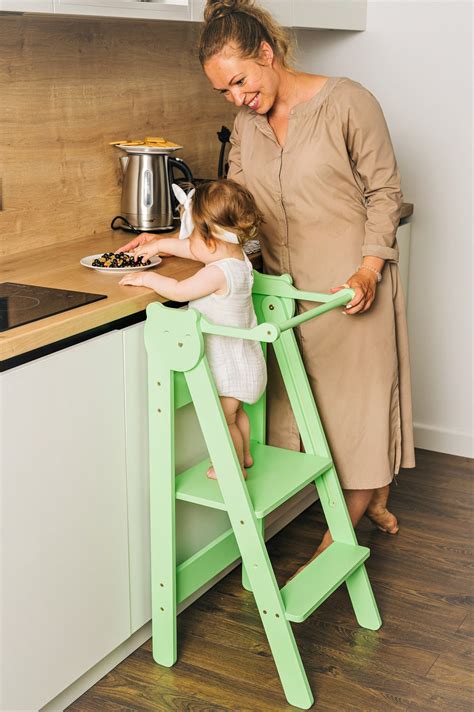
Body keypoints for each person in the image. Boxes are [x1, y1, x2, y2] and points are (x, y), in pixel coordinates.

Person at [197, 0, 416, 565]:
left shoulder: (349, 101)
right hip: (283, 296)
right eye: (224, 92)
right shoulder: (247, 127)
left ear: (267, 54)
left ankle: (335, 541)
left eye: (241, 81)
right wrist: (178, 244)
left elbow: (384, 193)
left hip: (349, 291)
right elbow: (236, 209)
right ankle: (373, 498)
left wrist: (369, 268)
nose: (238, 99)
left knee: (358, 412)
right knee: (310, 416)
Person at [119, 179, 267, 480]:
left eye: (191, 234)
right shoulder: (237, 259)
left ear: (209, 237)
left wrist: (147, 280)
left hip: (227, 366)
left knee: (223, 420)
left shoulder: (216, 273)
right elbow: (194, 249)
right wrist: (159, 244)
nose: (187, 243)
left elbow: (179, 291)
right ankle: (247, 455)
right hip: (246, 360)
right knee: (237, 414)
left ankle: (234, 467)